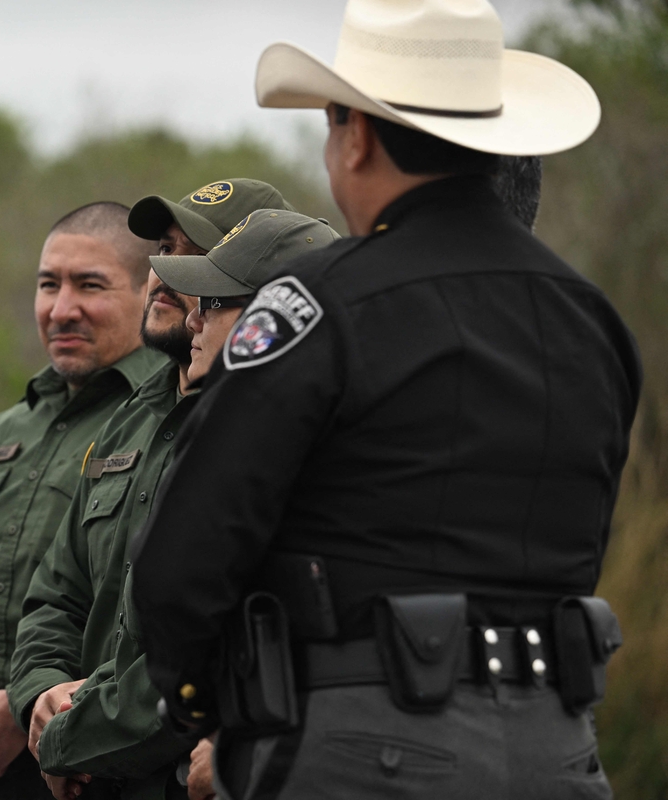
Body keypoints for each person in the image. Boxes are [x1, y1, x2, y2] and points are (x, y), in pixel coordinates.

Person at [130, 1, 642, 798]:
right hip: (560, 749)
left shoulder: (315, 303)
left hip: (367, 751)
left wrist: (212, 710)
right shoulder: (591, 318)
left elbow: (186, 557)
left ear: (355, 135)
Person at [9, 201, 336, 799]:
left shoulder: (295, 456)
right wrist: (42, 697)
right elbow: (57, 593)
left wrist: (65, 738)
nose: (193, 320)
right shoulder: (133, 421)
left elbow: (193, 658)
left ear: (278, 317)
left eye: (213, 298)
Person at [0, 202, 165, 799]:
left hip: (92, 770)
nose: (61, 309)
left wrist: (26, 706)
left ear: (151, 292)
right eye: (49, 284)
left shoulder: (165, 419)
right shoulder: (5, 431)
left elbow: (161, 618)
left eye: (90, 285)